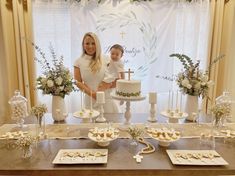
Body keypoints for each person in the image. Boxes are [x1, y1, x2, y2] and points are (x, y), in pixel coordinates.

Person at [74, 32, 119, 113]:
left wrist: (106, 86)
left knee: (109, 125)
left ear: (97, 44)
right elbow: (78, 82)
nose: (90, 46)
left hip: (106, 100)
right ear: (83, 45)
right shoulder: (78, 62)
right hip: (89, 101)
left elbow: (117, 78)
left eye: (93, 43)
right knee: (90, 124)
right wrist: (93, 94)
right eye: (87, 43)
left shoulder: (106, 59)